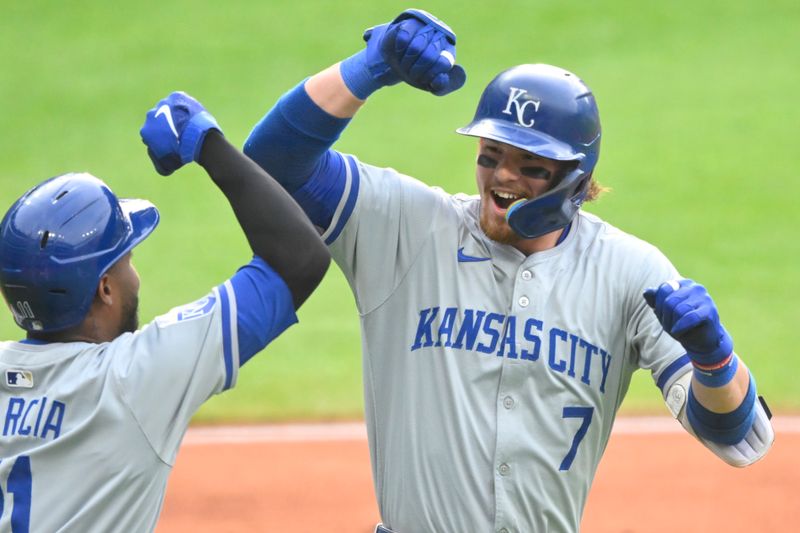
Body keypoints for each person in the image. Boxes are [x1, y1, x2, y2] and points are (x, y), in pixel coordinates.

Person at [241, 8, 775, 533]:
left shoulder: (630, 273)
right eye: (491, 154)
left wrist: (714, 357)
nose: (502, 177)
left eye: (531, 166)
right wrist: (370, 67)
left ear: (577, 179)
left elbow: (734, 435)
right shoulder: (406, 228)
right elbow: (269, 164)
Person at [0, 91, 329, 531]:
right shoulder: (133, 380)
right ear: (106, 290)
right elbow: (300, 259)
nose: (135, 274)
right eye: (127, 260)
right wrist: (207, 143)